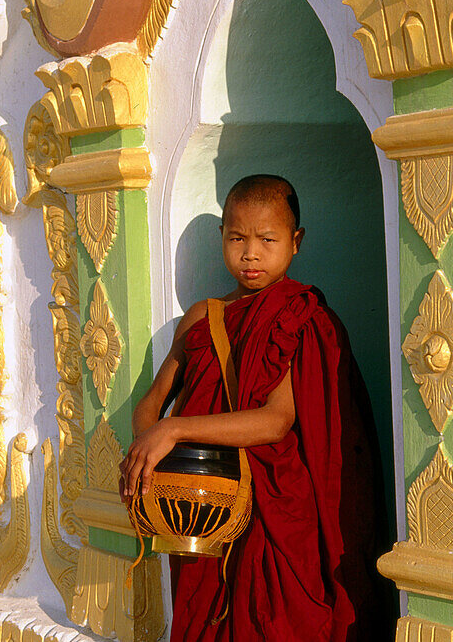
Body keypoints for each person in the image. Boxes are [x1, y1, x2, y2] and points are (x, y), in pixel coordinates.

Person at [120, 174, 389, 641]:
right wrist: (153, 450)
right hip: (203, 507)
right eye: (237, 238)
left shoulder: (299, 316)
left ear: (295, 241)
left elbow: (275, 420)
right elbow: (151, 405)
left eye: (268, 240)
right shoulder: (203, 316)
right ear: (221, 237)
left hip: (277, 508)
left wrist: (176, 431)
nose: (250, 253)